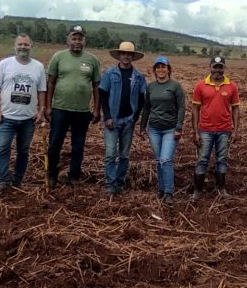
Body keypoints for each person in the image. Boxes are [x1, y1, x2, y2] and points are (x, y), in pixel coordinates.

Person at [44, 25, 101, 186]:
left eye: (80, 38)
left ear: (84, 40)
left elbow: (96, 86)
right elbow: (51, 83)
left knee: (78, 146)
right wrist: (48, 106)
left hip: (82, 111)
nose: (77, 41)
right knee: (55, 144)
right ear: (68, 39)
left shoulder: (92, 60)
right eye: (74, 38)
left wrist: (97, 109)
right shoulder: (58, 57)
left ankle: (74, 175)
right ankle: (52, 175)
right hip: (60, 109)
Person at [0, 34, 47, 190]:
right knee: (2, 149)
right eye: (20, 44)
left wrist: (40, 111)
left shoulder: (38, 67)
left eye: (26, 45)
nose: (23, 47)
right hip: (6, 118)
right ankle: (3, 180)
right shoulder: (5, 64)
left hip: (28, 119)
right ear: (15, 46)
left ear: (31, 47)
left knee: (23, 150)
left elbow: (42, 91)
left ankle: (17, 180)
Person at [99, 41, 147, 196]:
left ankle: (119, 182)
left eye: (129, 54)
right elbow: (103, 96)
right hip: (112, 120)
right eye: (123, 53)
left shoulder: (138, 77)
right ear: (119, 55)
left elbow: (141, 99)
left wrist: (135, 118)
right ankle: (110, 184)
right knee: (111, 153)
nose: (126, 57)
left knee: (124, 155)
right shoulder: (109, 73)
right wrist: (107, 117)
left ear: (132, 56)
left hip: (128, 121)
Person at [191, 55, 240, 201]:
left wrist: (235, 130)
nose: (217, 71)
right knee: (202, 160)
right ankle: (197, 191)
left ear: (224, 68)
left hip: (224, 130)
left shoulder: (231, 86)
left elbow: (236, 109)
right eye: (215, 67)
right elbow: (195, 109)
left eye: (220, 67)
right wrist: (195, 132)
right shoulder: (200, 86)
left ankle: (221, 189)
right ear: (210, 67)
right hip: (205, 129)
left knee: (222, 160)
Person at [140, 56, 185, 206]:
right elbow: (146, 108)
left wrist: (179, 127)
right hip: (153, 129)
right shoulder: (150, 87)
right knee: (159, 160)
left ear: (168, 69)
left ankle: (168, 192)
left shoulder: (175, 86)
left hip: (170, 129)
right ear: (154, 70)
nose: (161, 69)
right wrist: (142, 127)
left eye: (163, 67)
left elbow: (181, 108)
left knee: (166, 160)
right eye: (158, 67)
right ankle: (161, 189)